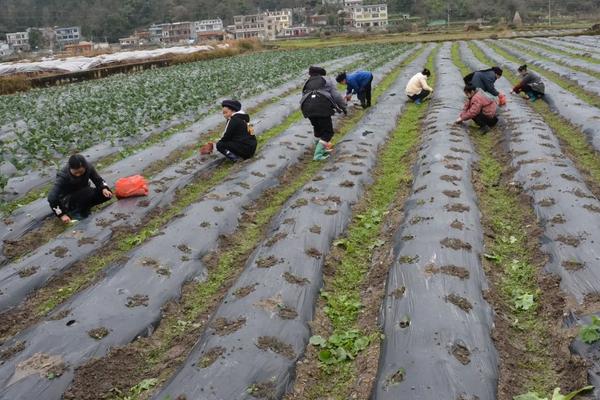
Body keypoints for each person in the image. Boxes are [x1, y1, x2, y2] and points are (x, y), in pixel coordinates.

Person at [48, 154, 113, 223]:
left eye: (81, 172)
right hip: (68, 199)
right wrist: (61, 215)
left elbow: (98, 180)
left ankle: (84, 207)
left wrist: (104, 188)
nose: (78, 174)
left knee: (106, 194)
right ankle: (75, 211)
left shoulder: (89, 168)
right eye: (75, 172)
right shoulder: (63, 176)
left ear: (85, 167)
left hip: (83, 193)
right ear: (70, 168)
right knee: (88, 191)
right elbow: (52, 197)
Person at [300, 66, 347, 161]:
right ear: (322, 73)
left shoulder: (308, 82)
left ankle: (322, 149)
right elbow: (336, 96)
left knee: (318, 129)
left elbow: (303, 95)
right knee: (328, 132)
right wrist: (343, 107)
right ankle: (318, 155)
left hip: (307, 107)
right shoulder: (327, 80)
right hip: (322, 106)